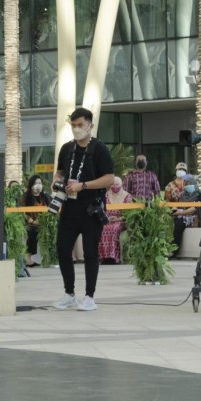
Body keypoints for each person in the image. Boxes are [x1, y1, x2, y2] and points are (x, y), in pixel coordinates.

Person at [50, 107, 118, 312]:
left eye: (80, 125)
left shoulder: (99, 149)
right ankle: (69, 293)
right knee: (62, 249)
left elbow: (109, 178)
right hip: (69, 207)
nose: (77, 129)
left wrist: (84, 185)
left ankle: (89, 296)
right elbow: (59, 172)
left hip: (91, 208)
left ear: (90, 125)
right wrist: (57, 182)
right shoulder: (67, 148)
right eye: (73, 125)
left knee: (90, 253)